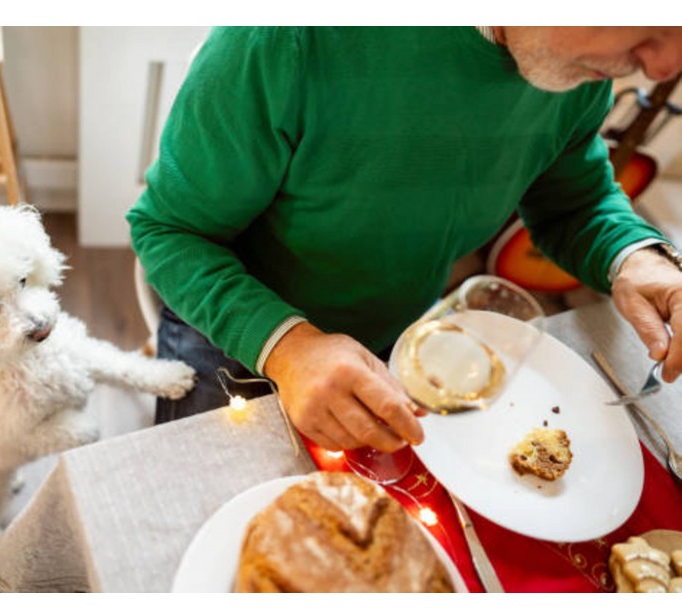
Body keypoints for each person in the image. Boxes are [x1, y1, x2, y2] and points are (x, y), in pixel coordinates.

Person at [127, 27, 682, 454]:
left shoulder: (579, 68)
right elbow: (169, 230)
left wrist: (635, 257)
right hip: (234, 337)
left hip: (393, 339)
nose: (664, 66)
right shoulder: (288, 38)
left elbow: (574, 200)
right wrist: (289, 348)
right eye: (649, 19)